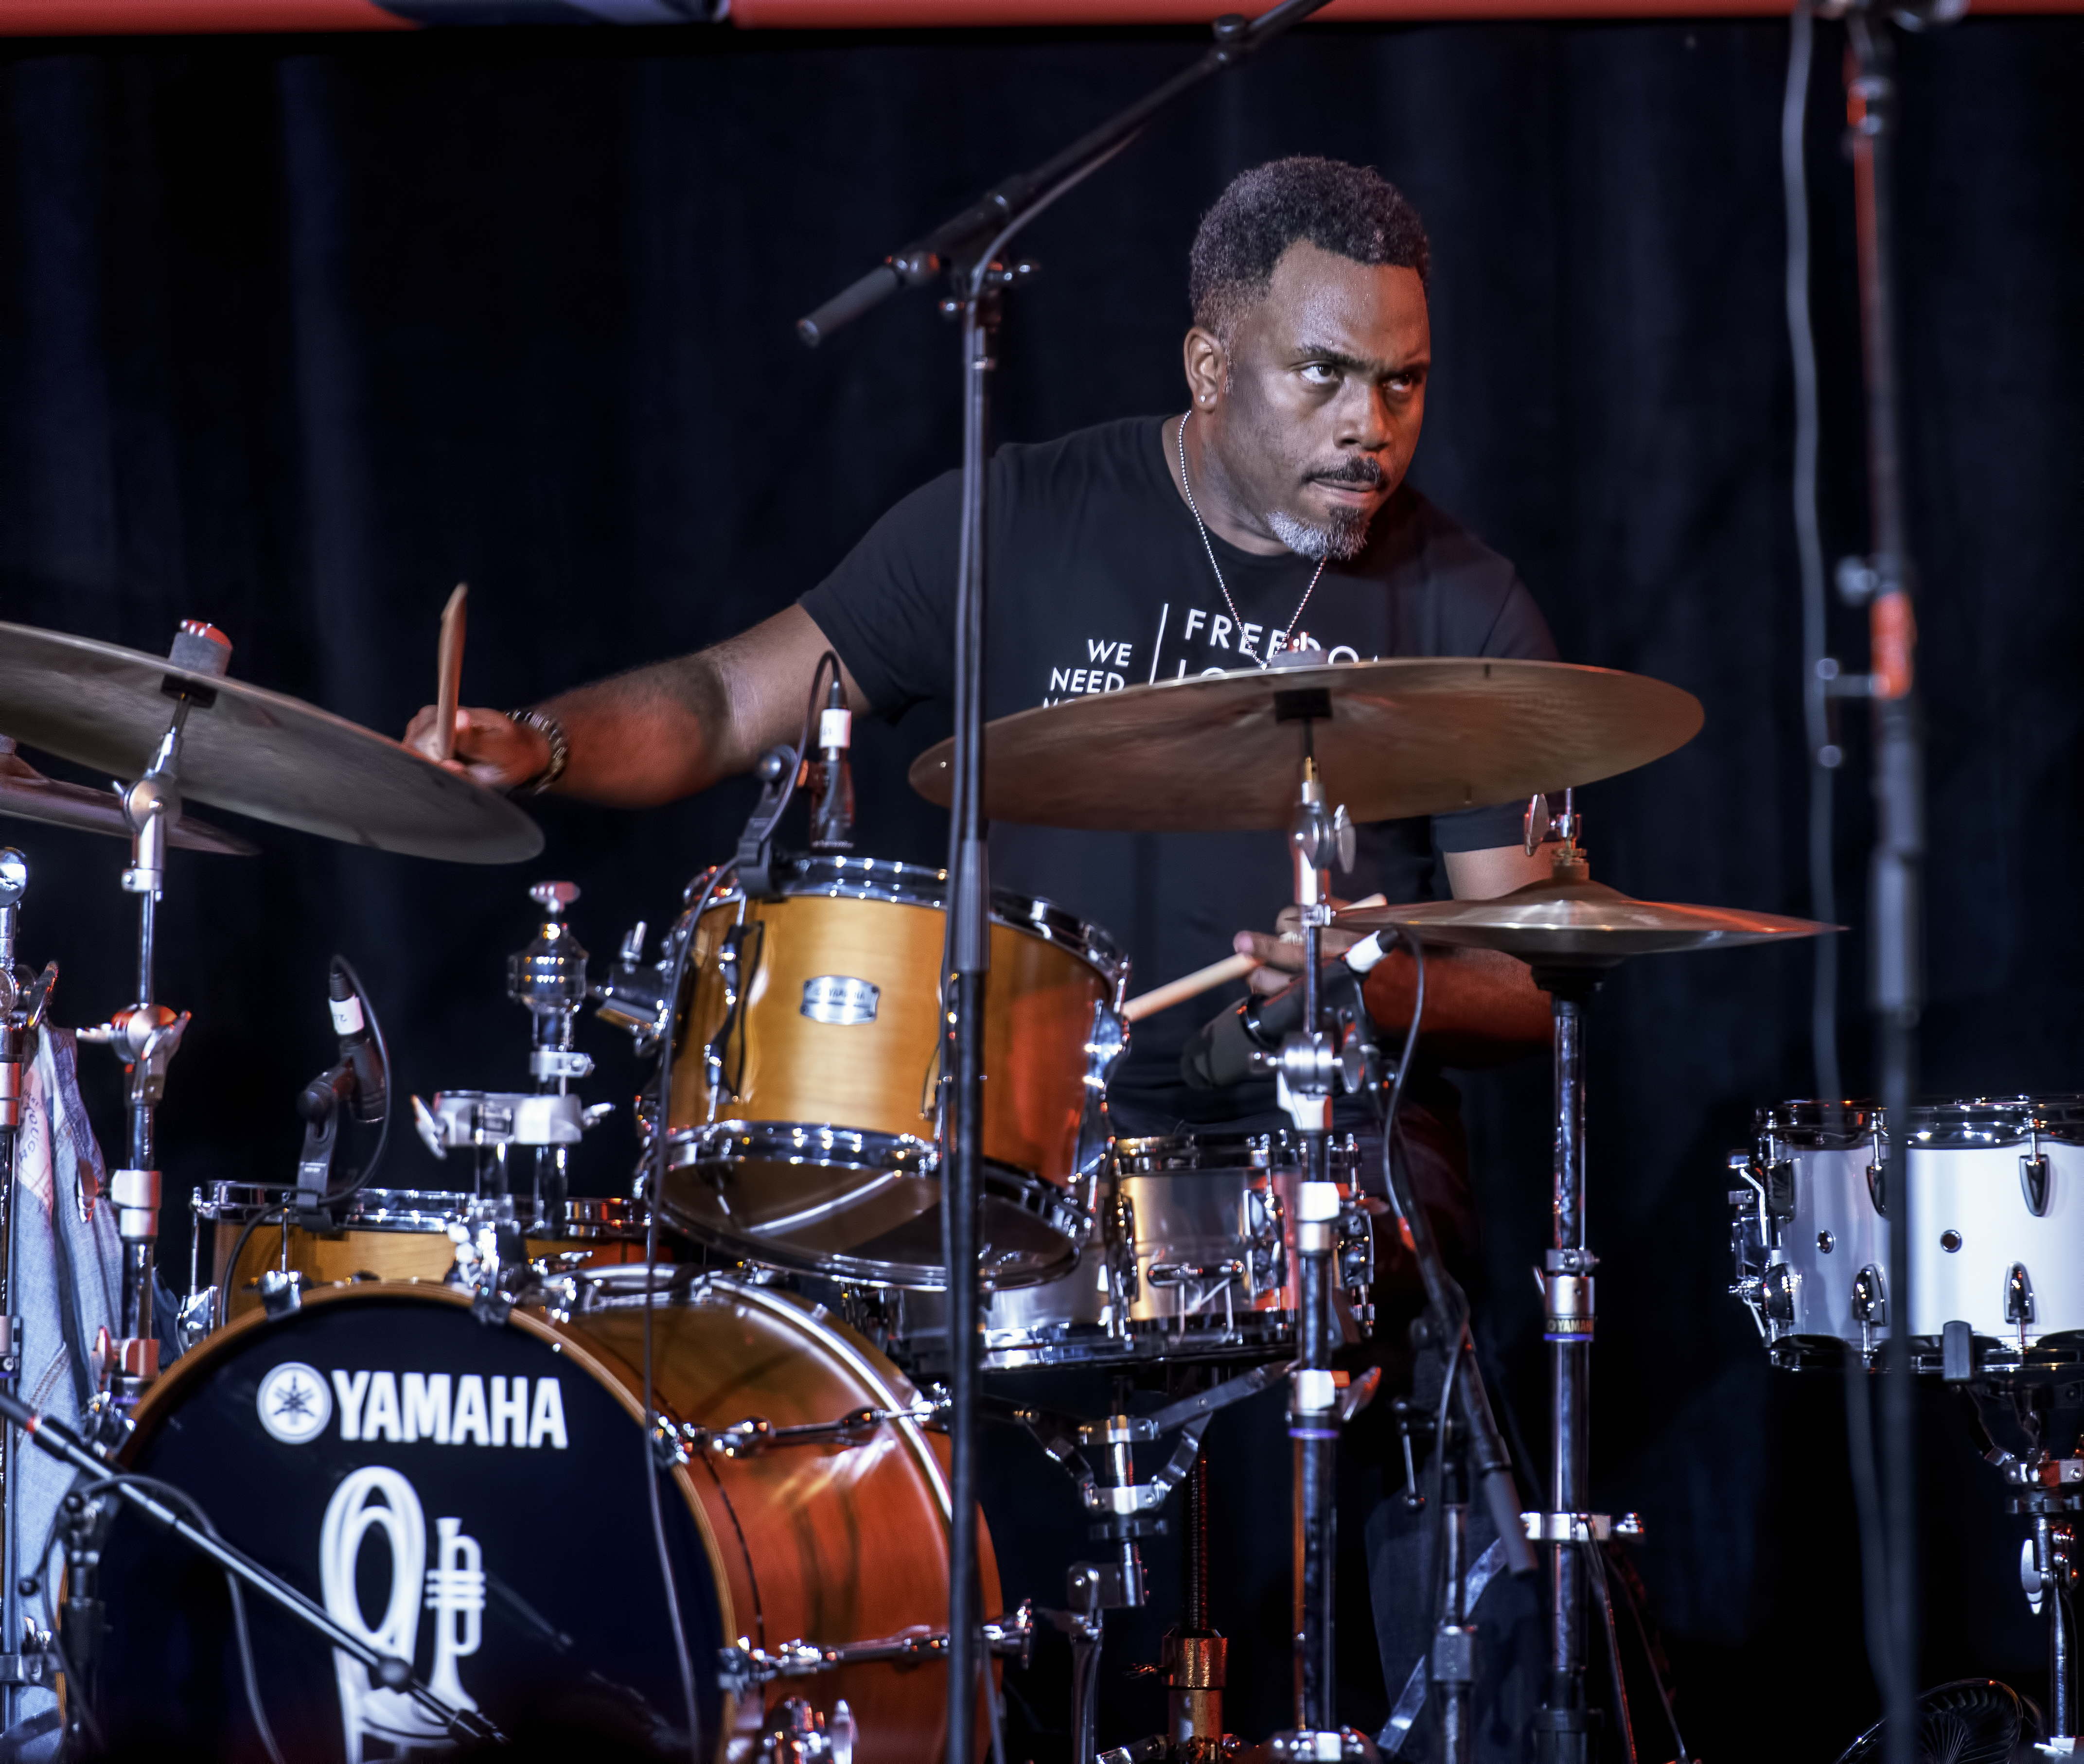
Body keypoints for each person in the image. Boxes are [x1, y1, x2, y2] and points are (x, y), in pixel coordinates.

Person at [411, 155, 1553, 1748]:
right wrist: (534, 743)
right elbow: (733, 700)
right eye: (1328, 375)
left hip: (1317, 1207)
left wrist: (1368, 968)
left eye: (1406, 380)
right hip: (1016, 1185)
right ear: (1212, 362)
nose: (1375, 422)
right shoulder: (1014, 517)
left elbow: (1530, 970)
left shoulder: (1462, 603)